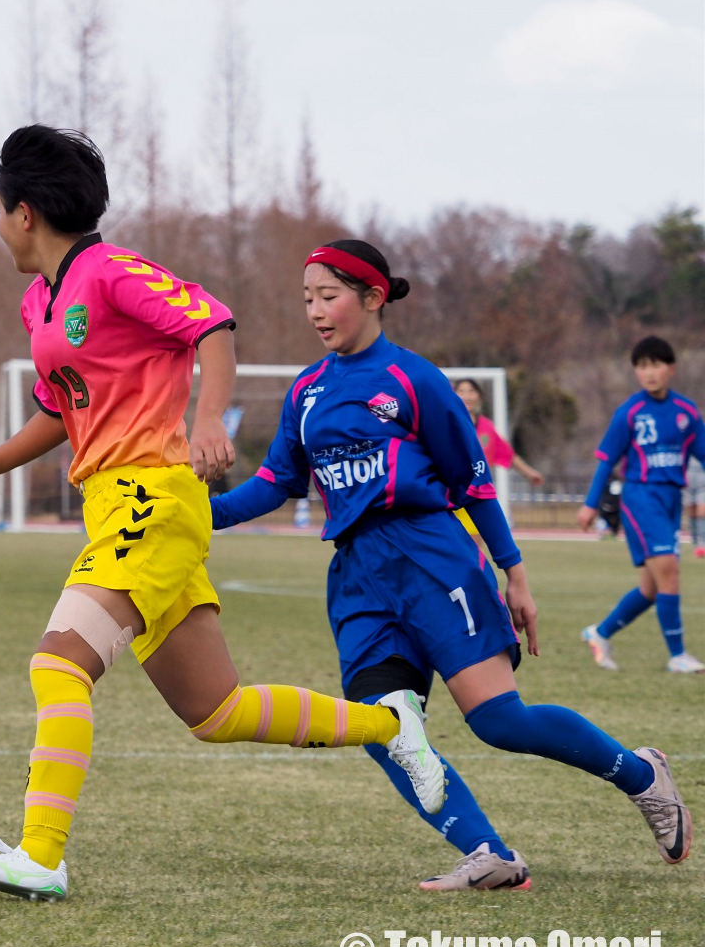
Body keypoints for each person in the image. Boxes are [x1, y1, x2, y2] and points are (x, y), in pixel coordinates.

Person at [0, 128, 445, 902]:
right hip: (117, 508)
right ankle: (393, 726)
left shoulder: (110, 271)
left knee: (58, 665)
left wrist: (207, 421)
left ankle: (40, 855)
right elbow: (61, 410)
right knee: (215, 709)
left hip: (152, 500)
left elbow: (212, 325)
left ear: (23, 212)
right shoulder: (40, 301)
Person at [212, 240, 693, 885]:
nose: (315, 312)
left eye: (328, 296)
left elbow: (475, 484)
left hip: (432, 559)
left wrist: (514, 572)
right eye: (307, 299)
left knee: (499, 721)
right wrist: (198, 513)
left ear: (373, 297)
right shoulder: (307, 390)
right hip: (357, 577)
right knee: (384, 729)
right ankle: (489, 853)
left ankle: (642, 775)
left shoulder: (414, 379)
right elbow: (276, 481)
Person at [579, 336, 705, 674]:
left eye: (656, 365)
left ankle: (600, 633)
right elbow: (607, 461)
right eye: (642, 366)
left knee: (651, 588)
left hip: (671, 500)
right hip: (641, 498)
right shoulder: (630, 412)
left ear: (671, 369)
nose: (649, 372)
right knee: (670, 573)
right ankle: (678, 655)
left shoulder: (687, 412)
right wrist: (590, 505)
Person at [453, 379, 544, 488]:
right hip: (452, 489)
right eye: (461, 391)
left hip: (479, 489)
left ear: (479, 396)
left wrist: (529, 473)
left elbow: (507, 454)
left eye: (471, 391)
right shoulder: (446, 424)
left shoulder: (486, 427)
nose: (466, 396)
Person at [685, 456, 705, 558]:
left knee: (702, 512)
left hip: (703, 477)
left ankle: (703, 544)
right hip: (688, 478)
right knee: (691, 514)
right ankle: (695, 544)